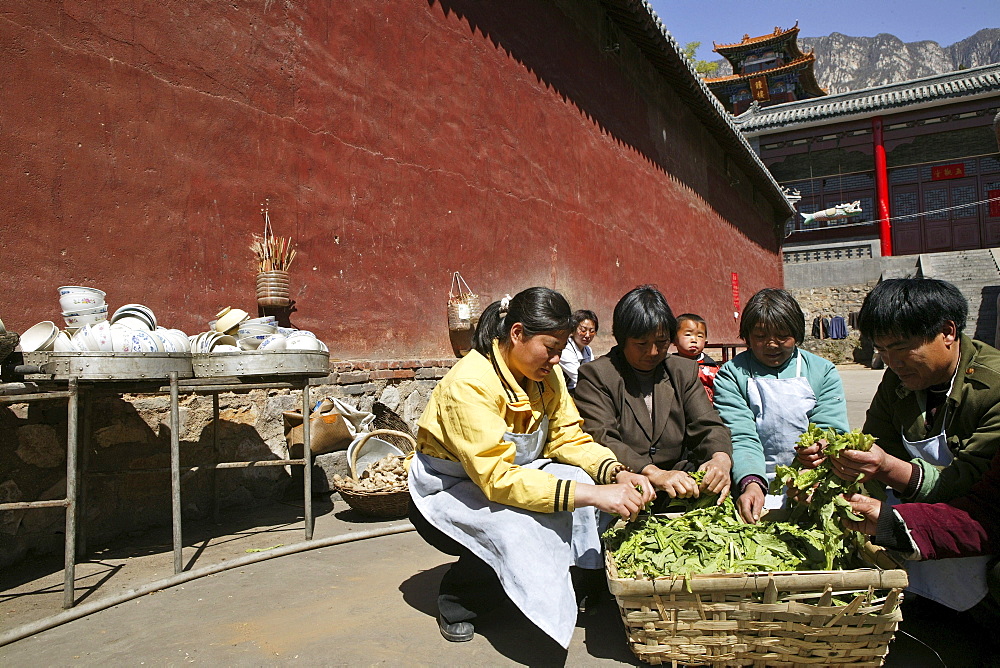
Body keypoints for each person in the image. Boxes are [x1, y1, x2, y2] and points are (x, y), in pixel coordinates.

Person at [407, 287, 654, 647]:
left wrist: (615, 473)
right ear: (517, 333)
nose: (556, 360)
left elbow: (568, 439)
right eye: (550, 349)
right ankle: (459, 599)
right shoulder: (469, 384)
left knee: (579, 482)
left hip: (512, 473)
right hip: (449, 489)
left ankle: (583, 583)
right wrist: (593, 495)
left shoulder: (544, 375)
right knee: (519, 526)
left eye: (560, 351)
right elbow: (497, 479)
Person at [798, 277, 1000, 612]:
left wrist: (888, 468)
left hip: (974, 530)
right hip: (921, 530)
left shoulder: (990, 390)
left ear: (948, 332)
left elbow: (975, 488)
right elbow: (877, 442)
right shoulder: (897, 382)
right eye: (882, 351)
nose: (891, 362)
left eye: (902, 348)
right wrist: (835, 468)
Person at [574, 286, 732, 506]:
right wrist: (653, 473)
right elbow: (602, 437)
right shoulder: (597, 375)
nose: (653, 352)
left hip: (681, 482)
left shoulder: (681, 371)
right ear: (621, 339)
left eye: (661, 342)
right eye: (641, 344)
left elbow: (707, 424)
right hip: (624, 487)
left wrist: (720, 458)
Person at [713, 288, 849, 523]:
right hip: (750, 482)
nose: (772, 345)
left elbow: (831, 429)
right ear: (747, 336)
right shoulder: (732, 374)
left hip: (811, 482)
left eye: (782, 336)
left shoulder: (822, 371)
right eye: (760, 336)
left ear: (797, 334)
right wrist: (751, 483)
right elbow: (741, 436)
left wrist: (815, 463)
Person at [672, 313, 720, 401]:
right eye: (688, 335)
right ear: (674, 340)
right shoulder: (669, 366)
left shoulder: (712, 369)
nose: (694, 340)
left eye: (700, 336)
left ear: (705, 343)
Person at [559, 309, 598, 394]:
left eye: (592, 331)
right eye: (583, 330)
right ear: (573, 330)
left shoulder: (588, 350)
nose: (587, 335)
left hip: (582, 389)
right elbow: (579, 377)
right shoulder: (565, 349)